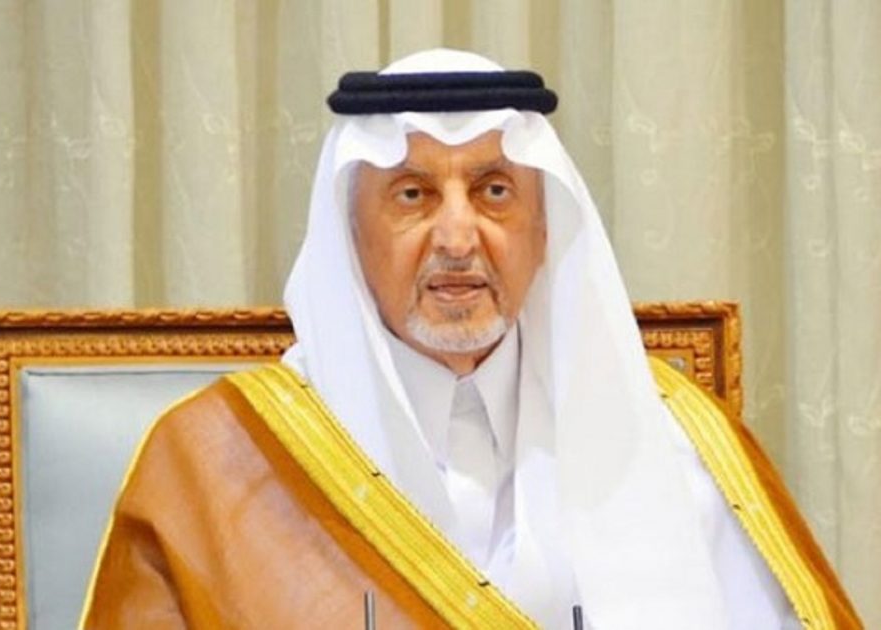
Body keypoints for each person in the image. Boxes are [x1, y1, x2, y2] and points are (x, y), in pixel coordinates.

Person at [80, 49, 859, 629]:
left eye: (494, 192)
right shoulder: (213, 466)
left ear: (544, 229)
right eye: (412, 195)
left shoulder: (673, 441)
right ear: (350, 237)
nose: (458, 238)